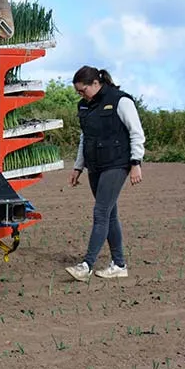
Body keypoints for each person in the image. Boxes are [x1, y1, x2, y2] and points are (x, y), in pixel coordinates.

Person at [65, 65, 145, 281]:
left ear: (96, 84)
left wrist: (136, 162)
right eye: (78, 92)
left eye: (83, 90)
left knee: (100, 212)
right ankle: (119, 265)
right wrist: (77, 167)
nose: (81, 95)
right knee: (109, 214)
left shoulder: (121, 101)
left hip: (117, 164)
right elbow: (85, 138)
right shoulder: (84, 107)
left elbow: (136, 132)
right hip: (95, 165)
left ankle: (86, 265)